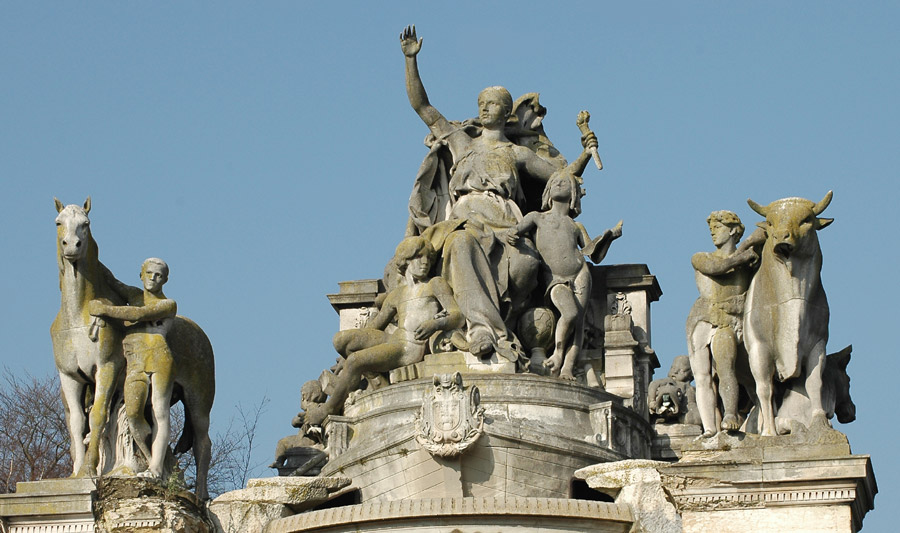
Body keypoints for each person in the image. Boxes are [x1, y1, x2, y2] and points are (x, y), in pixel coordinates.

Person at [400, 25, 598, 362]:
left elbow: (561, 177)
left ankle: (503, 323)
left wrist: (585, 152)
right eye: (481, 103)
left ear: (506, 113)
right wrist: (410, 60)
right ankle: (481, 330)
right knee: (461, 244)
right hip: (463, 220)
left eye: (492, 104)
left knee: (526, 264)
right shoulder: (461, 142)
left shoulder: (516, 154)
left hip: (506, 221)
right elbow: (423, 106)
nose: (484, 108)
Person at [305, 236, 464, 426]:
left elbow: (457, 315)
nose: (425, 262)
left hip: (408, 347)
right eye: (418, 257)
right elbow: (373, 328)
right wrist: (346, 356)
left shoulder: (435, 284)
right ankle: (375, 378)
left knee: (356, 361)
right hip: (393, 340)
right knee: (341, 340)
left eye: (428, 258)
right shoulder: (397, 295)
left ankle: (329, 408)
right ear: (405, 261)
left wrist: (435, 324)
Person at [507, 168, 622, 379]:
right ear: (548, 191)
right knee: (570, 313)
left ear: (574, 194)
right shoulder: (536, 218)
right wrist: (513, 236)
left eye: (565, 183)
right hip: (555, 278)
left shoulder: (575, 225)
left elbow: (592, 254)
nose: (560, 184)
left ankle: (568, 366)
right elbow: (514, 231)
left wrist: (610, 236)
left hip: (580, 273)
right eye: (555, 182)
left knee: (578, 324)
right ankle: (558, 354)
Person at [88, 258, 176, 479]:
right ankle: (150, 455)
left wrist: (104, 310)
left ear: (165, 280)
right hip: (135, 361)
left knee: (160, 412)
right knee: (133, 412)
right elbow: (112, 281)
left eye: (158, 275)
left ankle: (156, 467)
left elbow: (138, 314)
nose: (153, 278)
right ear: (141, 274)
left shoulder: (167, 304)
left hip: (159, 359)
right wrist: (90, 258)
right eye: (149, 273)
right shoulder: (134, 296)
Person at [686, 211, 764, 436]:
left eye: (718, 227)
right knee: (702, 377)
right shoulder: (700, 257)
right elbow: (716, 269)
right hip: (702, 321)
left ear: (732, 231)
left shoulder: (749, 266)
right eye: (711, 228)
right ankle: (709, 428)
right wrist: (746, 248)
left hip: (730, 323)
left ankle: (730, 414)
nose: (712, 232)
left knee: (725, 362)